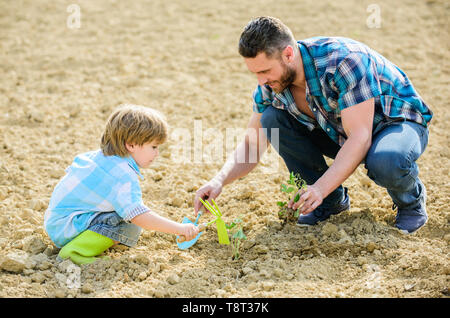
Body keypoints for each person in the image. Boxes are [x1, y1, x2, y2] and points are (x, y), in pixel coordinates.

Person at [194, 16, 433, 234]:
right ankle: (331, 203)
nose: (261, 81)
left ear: (288, 54)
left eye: (265, 71)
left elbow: (360, 136)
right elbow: (252, 144)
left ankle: (410, 203)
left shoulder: (343, 61)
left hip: (394, 124)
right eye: (255, 73)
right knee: (271, 119)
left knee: (386, 160)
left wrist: (319, 187)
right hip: (338, 130)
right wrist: (218, 181)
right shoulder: (270, 85)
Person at [44, 104, 199, 265]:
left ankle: (83, 242)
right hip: (67, 229)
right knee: (126, 225)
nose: (157, 153)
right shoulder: (123, 175)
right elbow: (139, 216)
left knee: (125, 219)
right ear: (131, 144)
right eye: (153, 147)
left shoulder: (100, 157)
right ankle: (74, 252)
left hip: (57, 223)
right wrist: (180, 229)